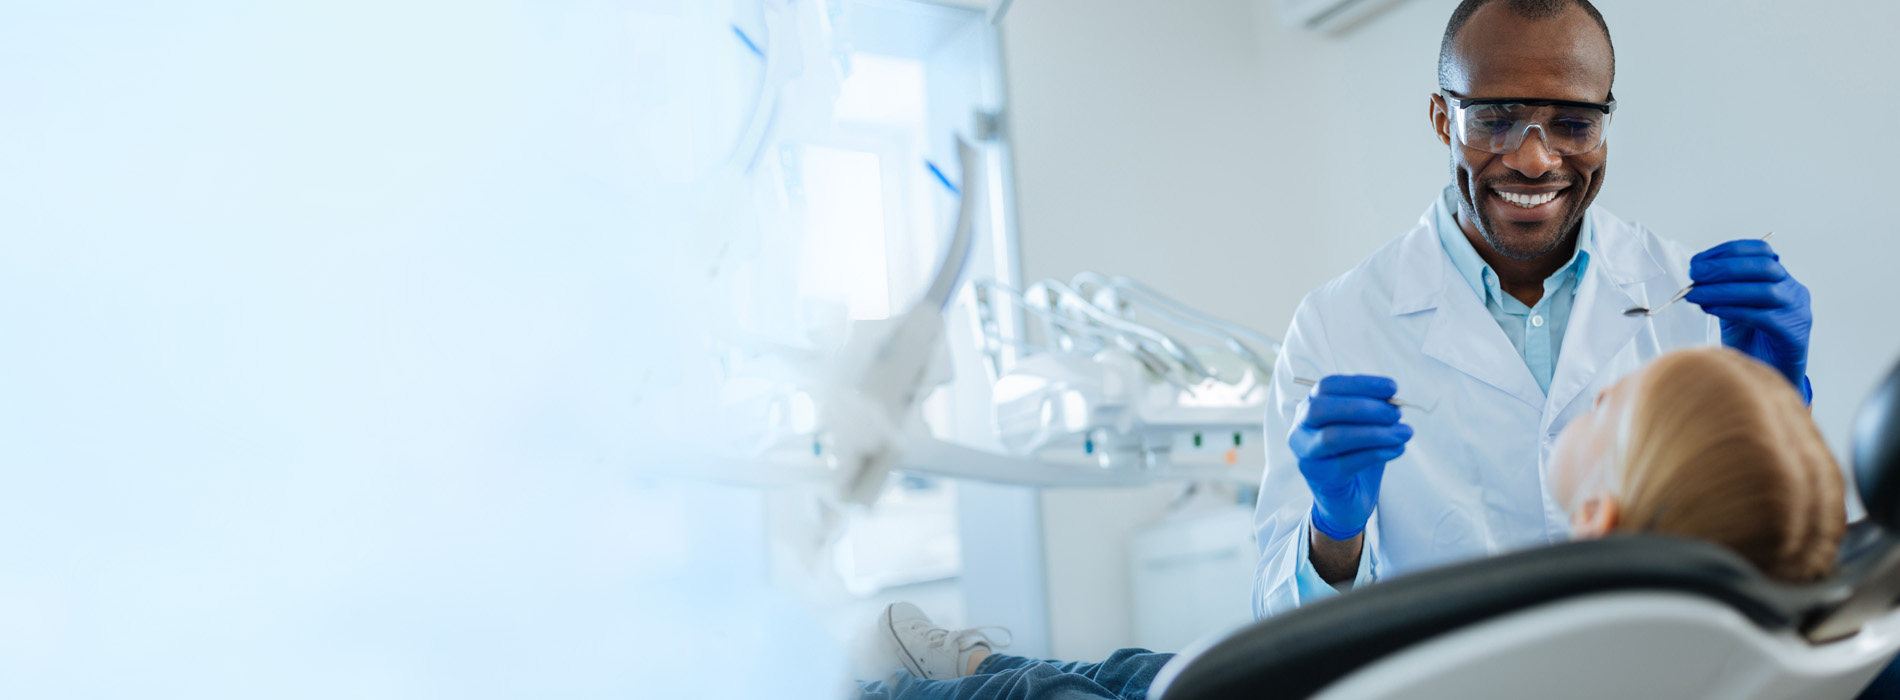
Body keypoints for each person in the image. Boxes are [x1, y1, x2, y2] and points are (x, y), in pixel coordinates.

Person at [856, 347, 1845, 700]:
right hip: (1222, 667)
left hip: (1236, 687)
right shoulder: (1706, 638)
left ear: (1598, 516)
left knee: (1084, 689)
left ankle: (934, 682)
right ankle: (981, 665)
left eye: (1608, 408)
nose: (1589, 395)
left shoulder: (1547, 630)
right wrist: (1336, 528)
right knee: (1124, 666)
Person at [1253, 0, 1818, 616]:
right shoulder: (1337, 326)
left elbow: (1794, 573)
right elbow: (1275, 630)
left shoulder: (1694, 305)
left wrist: (1781, 404)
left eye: (1573, 123)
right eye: (1495, 117)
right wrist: (1334, 533)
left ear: (1605, 121)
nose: (1534, 159)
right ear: (1443, 119)